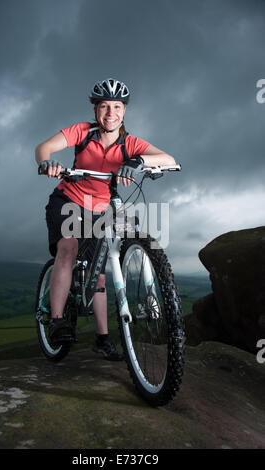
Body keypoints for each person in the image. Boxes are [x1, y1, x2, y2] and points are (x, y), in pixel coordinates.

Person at [35, 78, 177, 361]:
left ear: (124, 111)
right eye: (103, 107)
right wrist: (47, 162)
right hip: (70, 201)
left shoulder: (130, 144)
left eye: (116, 107)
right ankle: (58, 319)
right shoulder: (83, 132)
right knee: (69, 247)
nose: (110, 113)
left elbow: (167, 158)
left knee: (99, 270)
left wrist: (137, 162)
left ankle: (102, 338)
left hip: (102, 209)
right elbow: (44, 147)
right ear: (96, 110)